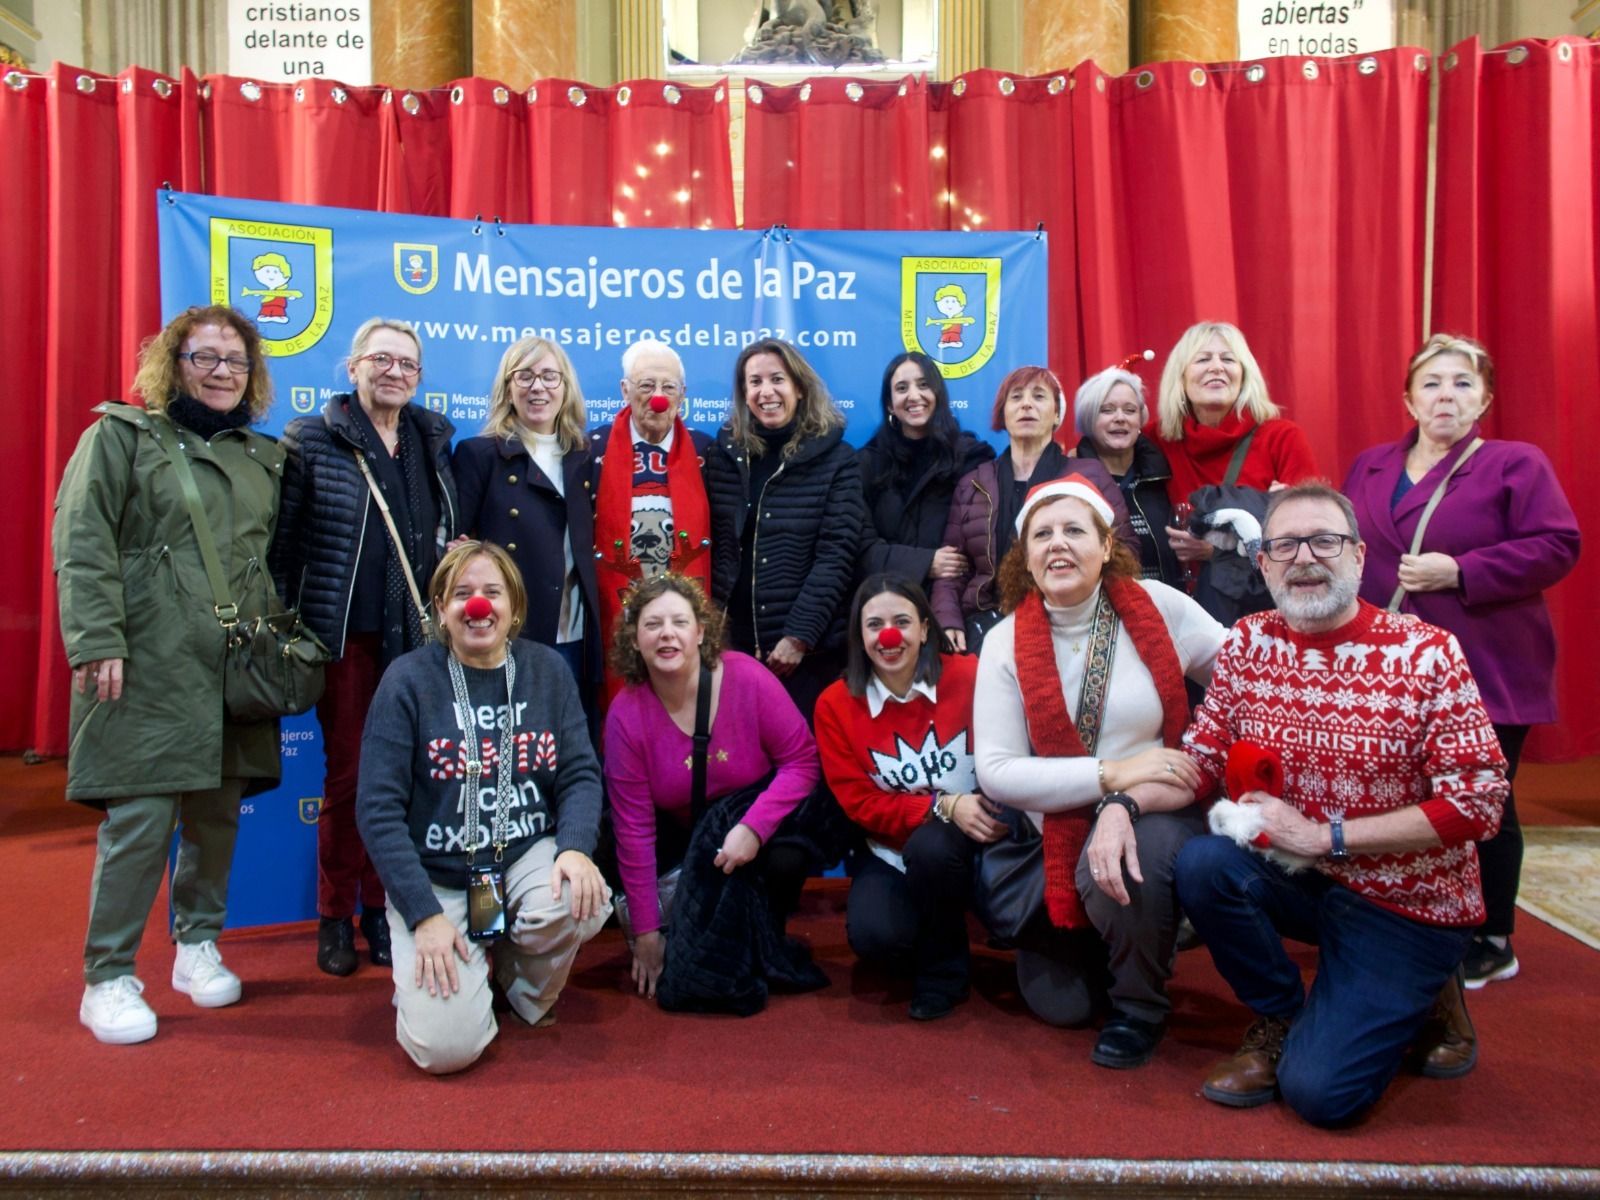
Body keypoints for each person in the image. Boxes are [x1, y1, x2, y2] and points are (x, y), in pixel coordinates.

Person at [1175, 482, 1510, 1127]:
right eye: (1285, 545)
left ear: (1358, 556)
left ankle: (1430, 990)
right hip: (1303, 880)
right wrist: (1118, 803)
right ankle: (1279, 1017)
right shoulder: (1248, 641)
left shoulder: (1426, 653)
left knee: (1321, 1096)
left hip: (1407, 899)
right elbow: (1204, 755)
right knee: (1201, 864)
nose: (1305, 558)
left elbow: (1479, 805)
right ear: (1263, 563)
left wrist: (1323, 837)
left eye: (1324, 541)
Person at [55, 305, 283, 1044]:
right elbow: (83, 540)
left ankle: (197, 944)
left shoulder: (264, 457)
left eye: (235, 361)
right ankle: (109, 975)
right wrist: (95, 640)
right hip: (143, 661)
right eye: (204, 357)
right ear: (172, 363)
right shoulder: (119, 437)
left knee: (217, 814)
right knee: (143, 819)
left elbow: (272, 560)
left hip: (231, 665)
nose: (221, 372)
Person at [1343, 334, 1579, 988]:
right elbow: (1346, 547)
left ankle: (1493, 935)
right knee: (1397, 793)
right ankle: (1406, 910)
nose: (1447, 395)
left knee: (1481, 802)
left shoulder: (1515, 464)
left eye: (1463, 384)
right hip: (1387, 666)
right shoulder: (1370, 465)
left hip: (1487, 664)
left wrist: (1464, 570)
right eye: (1433, 383)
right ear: (1409, 398)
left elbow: (1559, 545)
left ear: (1486, 399)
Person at [973, 476, 1222, 1067]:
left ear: (1107, 545)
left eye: (1074, 530)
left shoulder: (1163, 608)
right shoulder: (1005, 641)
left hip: (1155, 810)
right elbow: (998, 773)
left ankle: (1141, 1007)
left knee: (1126, 866)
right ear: (1025, 555)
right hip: (1053, 837)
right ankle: (1125, 939)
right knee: (1066, 1008)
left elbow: (1242, 682)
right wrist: (1113, 772)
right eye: (1042, 534)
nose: (1058, 545)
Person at [356, 541, 609, 1074]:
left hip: (520, 857)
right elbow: (377, 812)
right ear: (442, 612)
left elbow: (581, 773)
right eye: (462, 595)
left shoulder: (547, 671)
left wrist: (576, 849)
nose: (478, 606)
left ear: (514, 607)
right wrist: (422, 915)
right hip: (438, 880)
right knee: (445, 1052)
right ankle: (454, 986)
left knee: (579, 898)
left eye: (492, 593)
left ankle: (518, 983)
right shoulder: (405, 681)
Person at [272, 317, 459, 978]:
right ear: (352, 367)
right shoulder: (313, 439)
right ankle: (333, 916)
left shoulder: (431, 441)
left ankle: (386, 911)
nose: (395, 372)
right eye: (382, 359)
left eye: (408, 364)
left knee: (407, 782)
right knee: (350, 781)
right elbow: (284, 547)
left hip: (416, 641)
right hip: (346, 638)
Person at [603, 573, 824, 1000]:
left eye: (679, 622)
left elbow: (801, 761)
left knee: (787, 857)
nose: (667, 634)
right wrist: (647, 936)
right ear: (634, 639)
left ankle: (765, 934)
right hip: (680, 833)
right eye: (652, 625)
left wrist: (754, 828)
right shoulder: (625, 715)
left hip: (749, 825)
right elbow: (633, 829)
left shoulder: (748, 678)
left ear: (701, 631)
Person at [815, 575, 1000, 1021]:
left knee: (938, 848)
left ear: (923, 627)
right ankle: (942, 965)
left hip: (987, 835)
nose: (888, 636)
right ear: (860, 635)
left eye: (901, 621)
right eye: (874, 624)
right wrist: (942, 806)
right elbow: (860, 803)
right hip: (899, 846)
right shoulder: (835, 705)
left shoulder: (973, 676)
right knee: (877, 937)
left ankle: (969, 944)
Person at [704, 338, 866, 721]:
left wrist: (799, 635)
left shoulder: (837, 459)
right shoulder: (724, 456)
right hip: (733, 647)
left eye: (777, 379)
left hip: (805, 655)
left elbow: (837, 553)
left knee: (804, 764)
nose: (766, 392)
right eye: (754, 382)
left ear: (799, 387)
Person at [932, 366, 1129, 655]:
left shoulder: (1090, 475)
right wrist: (947, 620)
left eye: (1039, 396)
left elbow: (1125, 550)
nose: (1027, 404)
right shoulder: (972, 483)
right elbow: (952, 568)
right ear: (1003, 414)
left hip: (1071, 622)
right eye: (1016, 397)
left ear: (1057, 415)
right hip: (987, 623)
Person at [454, 335, 600, 710]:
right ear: (508, 388)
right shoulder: (479, 456)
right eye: (525, 376)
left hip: (577, 634)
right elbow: (459, 546)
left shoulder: (585, 456)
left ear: (566, 388)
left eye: (550, 376)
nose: (538, 387)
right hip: (510, 630)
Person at [591, 338, 713, 701]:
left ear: (682, 394)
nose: (657, 396)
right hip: (616, 609)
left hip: (684, 610)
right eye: (646, 385)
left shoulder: (708, 451)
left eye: (668, 386)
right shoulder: (590, 450)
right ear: (625, 390)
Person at [1151, 321, 1318, 577]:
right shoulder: (1156, 439)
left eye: (1228, 359)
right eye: (1203, 359)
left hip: (1256, 600)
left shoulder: (1281, 438)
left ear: (1244, 375)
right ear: (1181, 376)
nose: (1216, 367)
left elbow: (1313, 531)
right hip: (1178, 603)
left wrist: (1216, 553)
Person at [856, 351, 994, 590]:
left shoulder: (971, 458)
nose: (914, 396)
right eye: (901, 388)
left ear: (938, 394)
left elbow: (978, 545)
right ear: (890, 404)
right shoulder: (867, 463)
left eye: (923, 385)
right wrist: (924, 563)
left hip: (952, 599)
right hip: (885, 597)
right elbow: (859, 547)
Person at [1071, 361, 1182, 587]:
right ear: (1088, 419)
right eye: (1107, 410)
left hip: (1168, 606)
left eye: (1130, 410)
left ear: (1140, 420)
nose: (1120, 418)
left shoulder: (1163, 474)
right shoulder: (1071, 479)